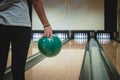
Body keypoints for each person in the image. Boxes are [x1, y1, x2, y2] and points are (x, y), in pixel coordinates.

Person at [0, 0, 52, 80]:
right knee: (18, 70)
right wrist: (46, 25)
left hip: (2, 24)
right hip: (22, 25)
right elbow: (36, 1)